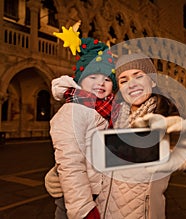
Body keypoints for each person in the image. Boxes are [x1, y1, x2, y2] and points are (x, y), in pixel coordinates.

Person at [45, 52, 186, 219]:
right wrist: (58, 174)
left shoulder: (168, 120)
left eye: (139, 76)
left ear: (152, 80)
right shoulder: (107, 117)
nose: (132, 84)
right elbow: (84, 157)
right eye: (124, 80)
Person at [48, 36, 117, 219]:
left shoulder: (104, 111)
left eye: (107, 79)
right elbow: (70, 161)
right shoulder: (74, 109)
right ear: (80, 80)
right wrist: (83, 209)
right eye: (93, 76)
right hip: (76, 199)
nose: (100, 83)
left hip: (96, 191)